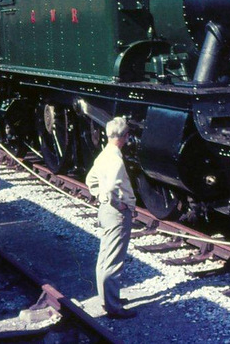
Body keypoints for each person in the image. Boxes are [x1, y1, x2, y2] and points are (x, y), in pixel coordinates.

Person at [85, 117, 137, 319]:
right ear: (124, 136)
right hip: (116, 214)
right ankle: (113, 307)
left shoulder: (103, 155)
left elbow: (91, 180)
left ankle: (106, 298)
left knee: (105, 257)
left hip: (105, 212)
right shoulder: (115, 159)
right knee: (114, 261)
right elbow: (110, 188)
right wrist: (118, 204)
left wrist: (100, 197)